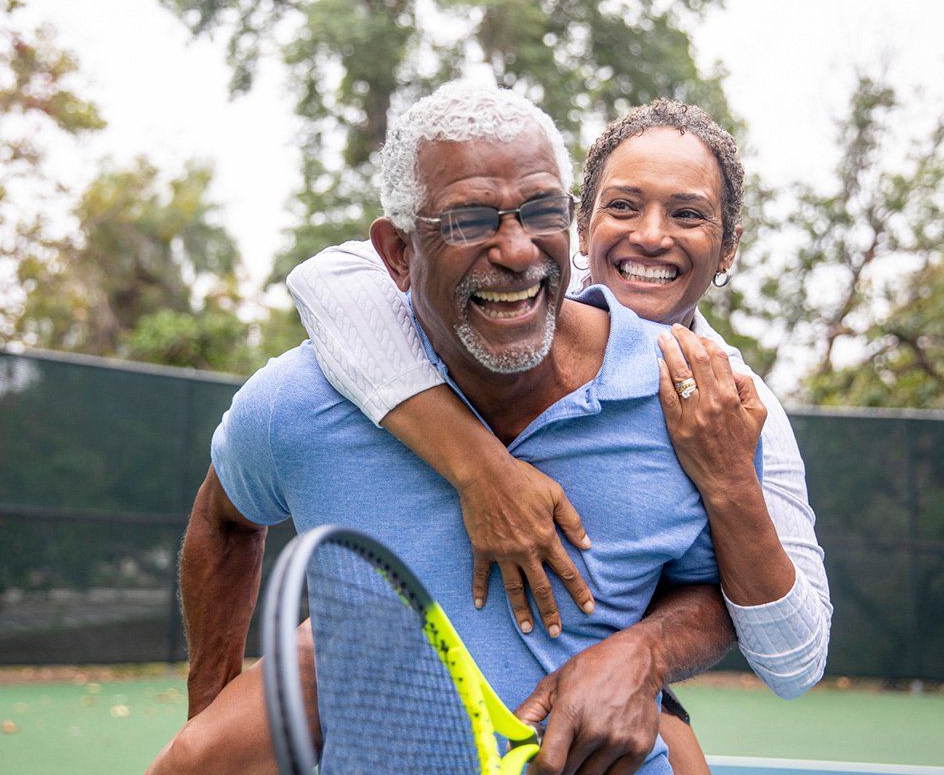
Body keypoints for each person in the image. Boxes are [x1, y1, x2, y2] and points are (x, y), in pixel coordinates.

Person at [150, 82, 747, 775]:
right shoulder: (297, 403)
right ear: (398, 254)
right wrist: (211, 707)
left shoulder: (693, 402)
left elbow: (723, 591)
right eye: (469, 221)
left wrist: (642, 656)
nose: (519, 251)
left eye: (542, 211)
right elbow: (222, 519)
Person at [284, 98, 833, 759]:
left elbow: (794, 660)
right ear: (579, 223)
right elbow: (325, 278)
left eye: (687, 213)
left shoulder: (739, 406)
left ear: (729, 246)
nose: (652, 235)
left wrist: (724, 481)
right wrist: (481, 469)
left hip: (612, 686)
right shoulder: (503, 313)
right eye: (623, 206)